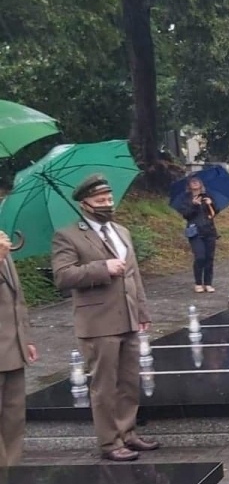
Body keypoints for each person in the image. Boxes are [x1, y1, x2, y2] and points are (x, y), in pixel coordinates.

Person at [51, 174, 159, 462]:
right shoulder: (68, 235)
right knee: (104, 386)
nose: (107, 204)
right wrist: (102, 267)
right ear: (85, 204)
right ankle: (109, 443)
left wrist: (142, 312)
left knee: (128, 381)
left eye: (109, 199)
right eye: (100, 201)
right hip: (98, 323)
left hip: (128, 318)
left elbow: (134, 277)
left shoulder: (121, 231)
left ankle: (128, 432)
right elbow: (62, 276)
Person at [0, 230, 38, 466]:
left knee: (14, 417)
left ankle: (11, 471)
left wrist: (26, 339)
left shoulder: (3, 245)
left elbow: (18, 299)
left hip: (11, 348)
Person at [180, 176, 218, 293]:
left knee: (209, 258)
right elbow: (186, 215)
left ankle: (208, 283)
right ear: (189, 185)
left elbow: (214, 213)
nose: (195, 183)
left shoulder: (207, 196)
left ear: (201, 184)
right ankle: (198, 283)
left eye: (197, 181)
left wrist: (211, 204)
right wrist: (194, 205)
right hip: (195, 232)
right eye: (193, 181)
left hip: (209, 231)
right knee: (200, 257)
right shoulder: (186, 198)